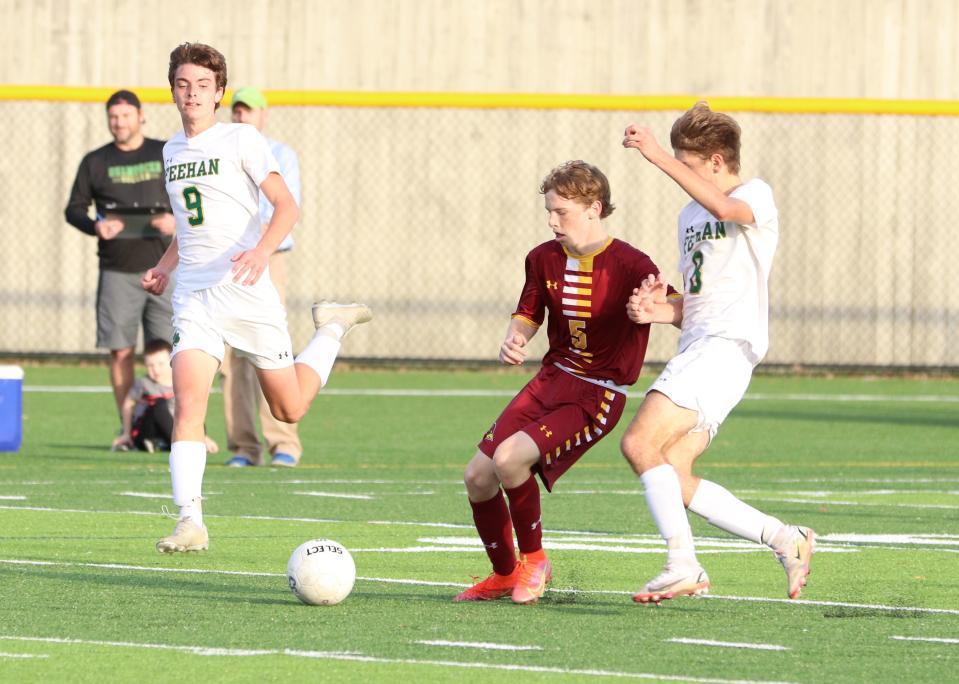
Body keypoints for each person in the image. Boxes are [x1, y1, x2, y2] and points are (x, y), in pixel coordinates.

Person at [143, 42, 371, 553]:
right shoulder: (170, 150)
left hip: (247, 293)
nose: (192, 93)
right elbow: (189, 224)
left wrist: (262, 252)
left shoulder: (241, 139)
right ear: (173, 91)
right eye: (183, 84)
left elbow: (286, 207)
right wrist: (163, 266)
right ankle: (190, 522)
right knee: (189, 405)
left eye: (203, 85)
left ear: (219, 92)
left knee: (288, 409)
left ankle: (331, 328)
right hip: (196, 297)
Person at [619, 102, 815, 605]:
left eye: (688, 162)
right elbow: (701, 302)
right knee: (673, 472)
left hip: (725, 349)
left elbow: (728, 211)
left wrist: (658, 156)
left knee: (639, 444)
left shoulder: (754, 195)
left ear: (713, 161)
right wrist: (659, 309)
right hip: (705, 345)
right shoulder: (688, 212)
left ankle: (683, 565)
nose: (679, 170)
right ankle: (784, 538)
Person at [455, 160, 670, 604]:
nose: (553, 221)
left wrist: (653, 308)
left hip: (598, 394)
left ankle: (535, 560)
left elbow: (677, 308)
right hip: (552, 379)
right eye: (549, 211)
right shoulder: (542, 258)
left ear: (595, 208)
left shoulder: (633, 265)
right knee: (478, 475)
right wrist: (514, 340)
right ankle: (502, 573)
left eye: (562, 212)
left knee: (510, 459)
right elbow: (529, 313)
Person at [65, 90, 177, 441]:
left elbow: (192, 199)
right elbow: (74, 209)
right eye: (113, 116)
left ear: (141, 116)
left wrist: (176, 221)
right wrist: (95, 226)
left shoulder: (165, 152)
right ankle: (129, 429)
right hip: (117, 270)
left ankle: (180, 426)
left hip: (164, 268)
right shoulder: (95, 161)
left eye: (126, 115)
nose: (119, 122)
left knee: (175, 351)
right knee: (121, 351)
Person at [221, 87, 303, 468]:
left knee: (272, 349)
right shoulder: (219, 148)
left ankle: (283, 442)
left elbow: (285, 208)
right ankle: (243, 446)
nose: (242, 117)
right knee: (234, 357)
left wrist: (259, 247)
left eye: (249, 111)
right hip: (228, 260)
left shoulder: (280, 154)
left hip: (268, 259)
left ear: (263, 116)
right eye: (237, 110)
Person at [111, 339, 219, 454]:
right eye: (150, 365)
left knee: (189, 408)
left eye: (161, 364)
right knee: (160, 405)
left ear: (172, 361)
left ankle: (183, 441)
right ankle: (183, 443)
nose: (155, 369)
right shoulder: (143, 384)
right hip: (147, 429)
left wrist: (205, 436)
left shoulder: (180, 383)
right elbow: (128, 404)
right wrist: (126, 434)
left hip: (174, 426)